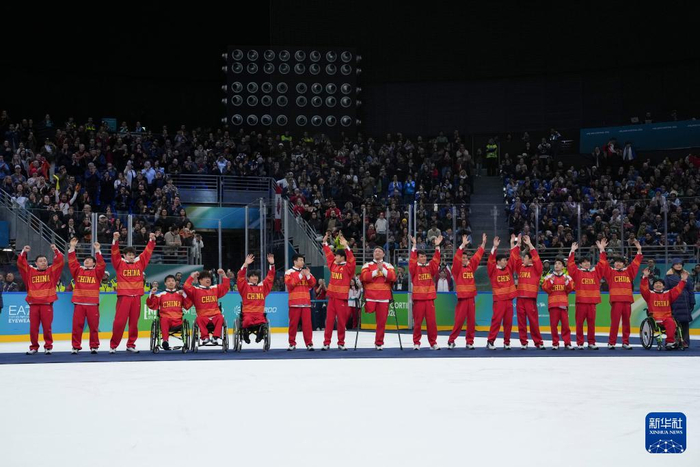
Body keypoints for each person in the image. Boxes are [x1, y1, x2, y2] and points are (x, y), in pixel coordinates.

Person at [109, 231, 156, 353]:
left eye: (132, 255)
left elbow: (147, 253)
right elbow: (114, 254)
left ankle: (131, 344)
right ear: (124, 255)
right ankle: (113, 346)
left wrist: (151, 240)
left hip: (136, 297)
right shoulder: (119, 263)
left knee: (134, 323)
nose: (131, 256)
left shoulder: (140, 263)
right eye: (128, 254)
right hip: (124, 296)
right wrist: (115, 240)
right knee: (119, 322)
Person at [17, 244, 64, 355]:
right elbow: (21, 263)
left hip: (46, 304)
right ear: (36, 263)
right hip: (34, 304)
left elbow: (60, 261)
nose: (43, 262)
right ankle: (34, 347)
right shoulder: (29, 272)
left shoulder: (52, 272)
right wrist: (24, 251)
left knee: (47, 327)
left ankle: (48, 346)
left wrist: (56, 250)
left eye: (45, 261)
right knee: (33, 328)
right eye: (41, 261)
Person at [601, 239, 643, 350]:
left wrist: (639, 250)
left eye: (620, 262)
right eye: (616, 262)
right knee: (615, 323)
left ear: (624, 264)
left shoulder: (629, 272)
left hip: (627, 301)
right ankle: (611, 342)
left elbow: (635, 264)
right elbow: (604, 264)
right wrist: (602, 250)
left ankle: (626, 342)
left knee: (626, 323)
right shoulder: (610, 273)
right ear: (614, 264)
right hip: (616, 301)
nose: (618, 264)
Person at [447, 233, 486, 350]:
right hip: (462, 299)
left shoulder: (471, 266)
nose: (464, 259)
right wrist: (462, 246)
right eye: (463, 258)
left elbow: (477, 256)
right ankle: (451, 340)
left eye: (466, 258)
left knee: (471, 321)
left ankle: (470, 342)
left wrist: (483, 244)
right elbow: (456, 259)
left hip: (471, 298)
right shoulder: (456, 269)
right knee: (459, 321)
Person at [67, 238, 106, 354]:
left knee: (94, 327)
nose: (87, 261)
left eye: (89, 260)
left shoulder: (97, 273)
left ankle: (94, 346)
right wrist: (72, 247)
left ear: (94, 263)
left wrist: (98, 251)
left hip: (92, 304)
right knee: (76, 326)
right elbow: (72, 262)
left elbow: (102, 265)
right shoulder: (78, 271)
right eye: (85, 260)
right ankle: (75, 346)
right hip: (79, 303)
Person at [568, 240, 608, 350]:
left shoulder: (595, 272)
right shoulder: (577, 273)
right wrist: (572, 251)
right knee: (579, 324)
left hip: (591, 303)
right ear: (580, 264)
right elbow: (570, 266)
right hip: (581, 302)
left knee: (591, 324)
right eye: (584, 262)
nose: (586, 263)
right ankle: (580, 343)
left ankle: (591, 342)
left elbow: (602, 264)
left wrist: (602, 250)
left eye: (588, 262)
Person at [321, 231, 356, 350]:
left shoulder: (348, 268)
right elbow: (328, 255)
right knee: (329, 321)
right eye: (335, 256)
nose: (335, 257)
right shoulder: (333, 265)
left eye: (337, 256)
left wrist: (346, 247)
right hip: (332, 298)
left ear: (342, 257)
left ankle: (341, 343)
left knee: (341, 322)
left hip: (341, 299)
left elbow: (352, 260)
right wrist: (325, 243)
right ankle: (326, 343)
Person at [408, 234, 442, 350]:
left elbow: (436, 260)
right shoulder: (414, 268)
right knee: (417, 323)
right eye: (421, 257)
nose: (423, 258)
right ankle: (416, 343)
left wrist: (437, 246)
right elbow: (411, 261)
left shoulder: (430, 267)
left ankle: (433, 343)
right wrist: (414, 246)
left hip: (429, 299)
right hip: (418, 300)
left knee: (432, 323)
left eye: (424, 256)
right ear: (417, 258)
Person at [641, 268, 690, 349]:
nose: (658, 285)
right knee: (669, 321)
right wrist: (645, 277)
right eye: (656, 283)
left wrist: (683, 281)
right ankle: (670, 342)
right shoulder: (649, 294)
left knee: (671, 323)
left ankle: (669, 342)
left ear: (663, 286)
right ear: (653, 286)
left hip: (667, 317)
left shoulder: (668, 294)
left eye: (660, 283)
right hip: (655, 318)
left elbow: (677, 290)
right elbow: (643, 288)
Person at [485, 235, 519, 350]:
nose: (506, 262)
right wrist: (494, 247)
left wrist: (512, 244)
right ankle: (490, 341)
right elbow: (490, 261)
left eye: (506, 260)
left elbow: (513, 258)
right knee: (496, 321)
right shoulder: (493, 270)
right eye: (504, 260)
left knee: (508, 323)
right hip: (499, 301)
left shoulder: (509, 268)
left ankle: (507, 342)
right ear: (498, 262)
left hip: (509, 300)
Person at [360, 246, 397, 350]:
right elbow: (364, 277)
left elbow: (392, 277)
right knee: (369, 312)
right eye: (375, 251)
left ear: (383, 254)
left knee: (381, 322)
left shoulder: (388, 265)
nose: (377, 253)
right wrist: (376, 271)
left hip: (384, 297)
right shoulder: (367, 265)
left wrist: (383, 270)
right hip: (370, 296)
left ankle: (379, 343)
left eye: (379, 251)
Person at [513, 235, 545, 350]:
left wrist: (530, 245)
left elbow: (536, 258)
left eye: (525, 258)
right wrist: (517, 245)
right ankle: (524, 342)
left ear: (530, 259)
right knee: (521, 322)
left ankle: (538, 342)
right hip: (520, 299)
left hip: (530, 299)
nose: (523, 259)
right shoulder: (520, 268)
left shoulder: (537, 269)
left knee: (533, 322)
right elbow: (515, 258)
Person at [183, 269, 230, 345]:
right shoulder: (195, 290)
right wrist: (192, 276)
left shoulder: (215, 288)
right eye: (205, 278)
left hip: (215, 315)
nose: (208, 279)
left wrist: (223, 275)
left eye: (209, 278)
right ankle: (205, 337)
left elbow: (226, 287)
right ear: (200, 280)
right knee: (199, 319)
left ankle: (215, 337)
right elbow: (186, 286)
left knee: (220, 317)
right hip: (203, 316)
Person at [146, 275, 192, 350]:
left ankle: (183, 343)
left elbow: (188, 304)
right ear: (165, 283)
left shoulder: (180, 294)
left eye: (173, 281)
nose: (171, 282)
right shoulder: (160, 295)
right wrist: (151, 294)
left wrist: (184, 294)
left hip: (178, 321)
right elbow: (151, 305)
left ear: (175, 283)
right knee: (164, 319)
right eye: (169, 281)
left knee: (168, 320)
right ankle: (165, 341)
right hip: (165, 320)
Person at [237, 253, 275, 344]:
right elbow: (240, 277)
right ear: (248, 278)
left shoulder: (263, 287)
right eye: (252, 276)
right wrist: (245, 264)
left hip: (259, 314)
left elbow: (270, 278)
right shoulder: (245, 287)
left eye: (256, 276)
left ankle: (260, 335)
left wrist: (272, 264)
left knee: (263, 324)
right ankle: (245, 334)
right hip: (248, 313)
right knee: (246, 322)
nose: (255, 278)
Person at [285, 253, 316, 350]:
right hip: (294, 303)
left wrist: (308, 275)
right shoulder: (289, 272)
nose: (302, 262)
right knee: (293, 325)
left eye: (303, 260)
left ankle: (309, 343)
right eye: (300, 260)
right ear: (295, 261)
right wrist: (300, 275)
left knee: (307, 325)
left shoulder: (306, 272)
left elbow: (313, 284)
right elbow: (290, 284)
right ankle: (292, 343)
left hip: (306, 303)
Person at [542, 258, 575, 350]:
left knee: (565, 326)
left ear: (563, 267)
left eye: (559, 263)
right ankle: (555, 343)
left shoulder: (567, 277)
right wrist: (551, 281)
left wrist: (566, 282)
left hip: (563, 304)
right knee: (553, 326)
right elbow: (546, 289)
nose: (557, 265)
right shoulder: (548, 277)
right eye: (556, 263)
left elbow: (570, 289)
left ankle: (567, 343)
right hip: (553, 304)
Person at [664, 259, 696, 349]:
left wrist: (692, 301)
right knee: (674, 322)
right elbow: (666, 290)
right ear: (673, 265)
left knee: (685, 323)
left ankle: (685, 342)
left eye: (680, 264)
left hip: (685, 301)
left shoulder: (686, 275)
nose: (679, 265)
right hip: (674, 301)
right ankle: (675, 340)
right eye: (677, 264)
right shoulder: (668, 276)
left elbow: (690, 290)